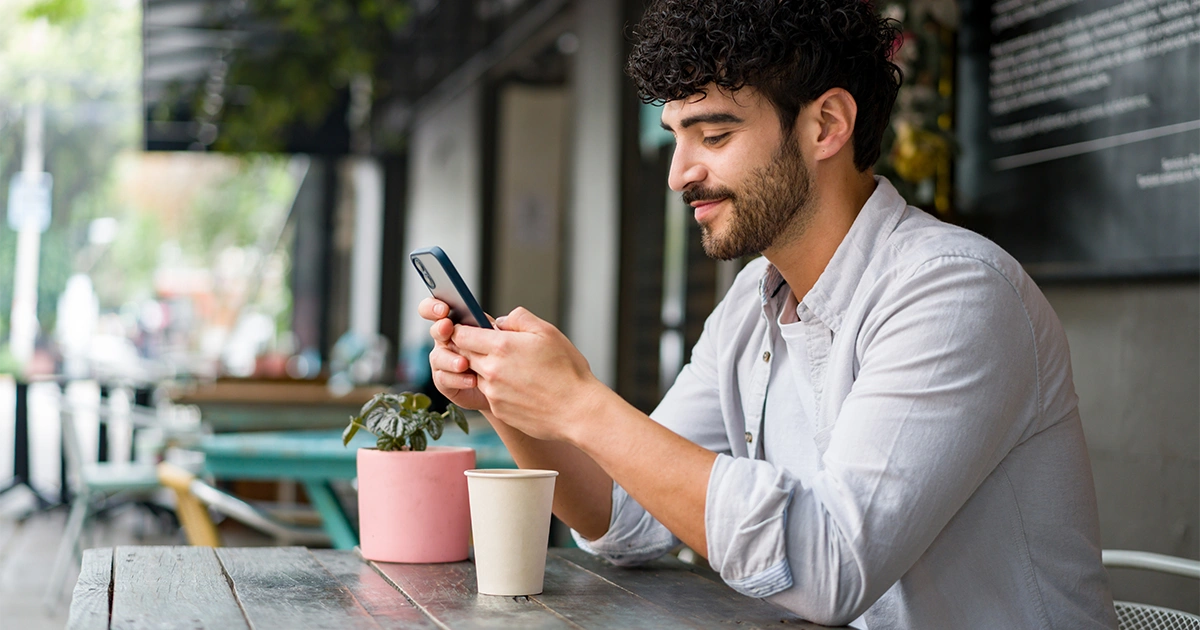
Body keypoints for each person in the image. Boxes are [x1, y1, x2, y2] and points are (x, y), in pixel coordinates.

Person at [419, 0, 1117, 627]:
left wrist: (580, 404)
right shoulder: (753, 303)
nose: (677, 172)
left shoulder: (955, 292)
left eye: (713, 136)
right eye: (674, 134)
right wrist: (511, 397)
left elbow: (829, 568)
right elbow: (626, 518)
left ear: (826, 126)